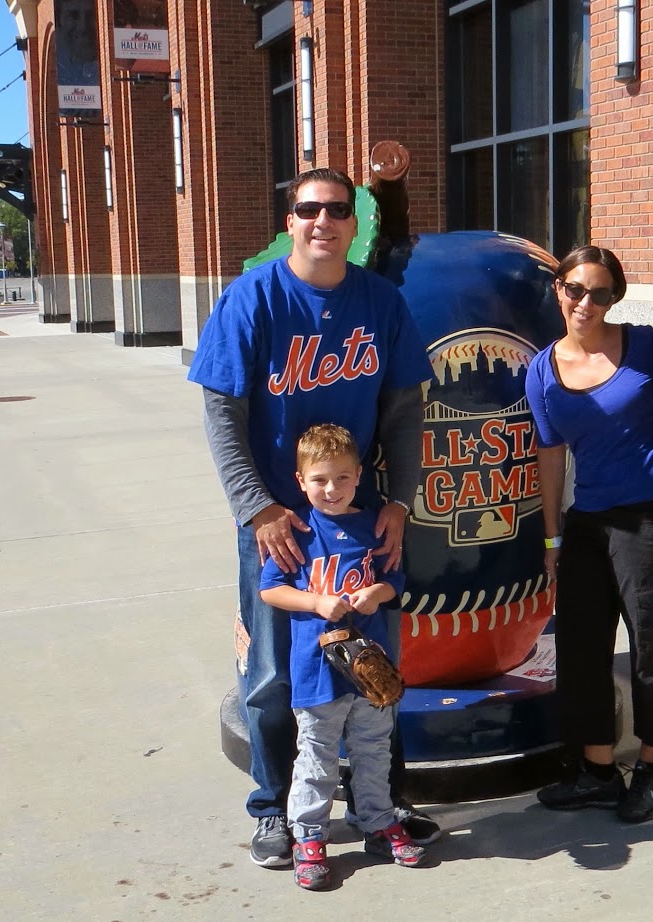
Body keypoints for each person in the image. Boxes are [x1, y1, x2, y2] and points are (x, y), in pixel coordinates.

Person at [187, 167, 437, 869]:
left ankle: (378, 806)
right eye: (308, 209)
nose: (322, 221)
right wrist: (256, 507)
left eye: (337, 209)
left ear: (355, 224)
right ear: (290, 219)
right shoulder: (253, 298)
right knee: (272, 674)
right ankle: (273, 811)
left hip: (355, 517)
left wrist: (399, 501)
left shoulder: (379, 302)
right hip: (277, 522)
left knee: (371, 664)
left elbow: (404, 408)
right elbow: (222, 412)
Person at [524, 245, 653, 823]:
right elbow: (550, 456)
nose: (585, 302)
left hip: (648, 518)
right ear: (558, 291)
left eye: (599, 292)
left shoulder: (644, 346)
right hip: (587, 523)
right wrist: (552, 539)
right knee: (583, 650)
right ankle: (596, 770)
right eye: (575, 289)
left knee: (650, 646)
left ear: (614, 297)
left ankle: (651, 767)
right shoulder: (541, 370)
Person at [260, 424, 424, 889]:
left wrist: (379, 591)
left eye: (343, 479)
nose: (331, 490)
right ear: (301, 480)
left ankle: (375, 821)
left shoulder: (372, 524)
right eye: (320, 480)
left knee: (373, 750)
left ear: (358, 477)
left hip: (370, 669)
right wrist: (315, 603)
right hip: (318, 673)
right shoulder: (298, 530)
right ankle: (309, 835)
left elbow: (399, 580)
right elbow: (270, 589)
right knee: (317, 755)